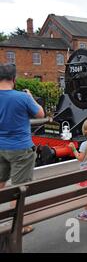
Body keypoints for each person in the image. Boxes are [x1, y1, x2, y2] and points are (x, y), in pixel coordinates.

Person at [0, 64, 45, 235]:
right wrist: (31, 97)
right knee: (19, 188)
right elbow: (40, 114)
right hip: (20, 148)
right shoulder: (22, 97)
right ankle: (19, 224)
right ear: (14, 79)